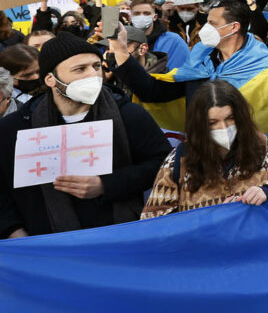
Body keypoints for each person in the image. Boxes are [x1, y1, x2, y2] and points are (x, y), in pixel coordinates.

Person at [0, 33, 170, 237]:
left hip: (118, 237)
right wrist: (13, 230)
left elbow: (163, 165)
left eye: (96, 66)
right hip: (45, 247)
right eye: (80, 69)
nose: (93, 75)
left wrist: (106, 185)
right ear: (50, 79)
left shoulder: (128, 115)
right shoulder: (15, 128)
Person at [109, 0, 268, 155]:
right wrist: (120, 51)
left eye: (213, 23)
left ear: (234, 27)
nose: (206, 28)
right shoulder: (199, 61)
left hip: (254, 157)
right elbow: (153, 91)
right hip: (204, 156)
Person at [142, 80, 268, 218]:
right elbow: (153, 221)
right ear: (200, 125)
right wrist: (212, 218)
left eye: (230, 119)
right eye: (213, 123)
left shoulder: (266, 148)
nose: (223, 128)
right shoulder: (179, 161)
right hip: (208, 253)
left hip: (260, 250)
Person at [128, 0, 189, 70]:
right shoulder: (121, 41)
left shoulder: (173, 41)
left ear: (155, 17)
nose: (141, 17)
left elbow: (182, 69)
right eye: (137, 14)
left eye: (146, 13)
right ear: (130, 17)